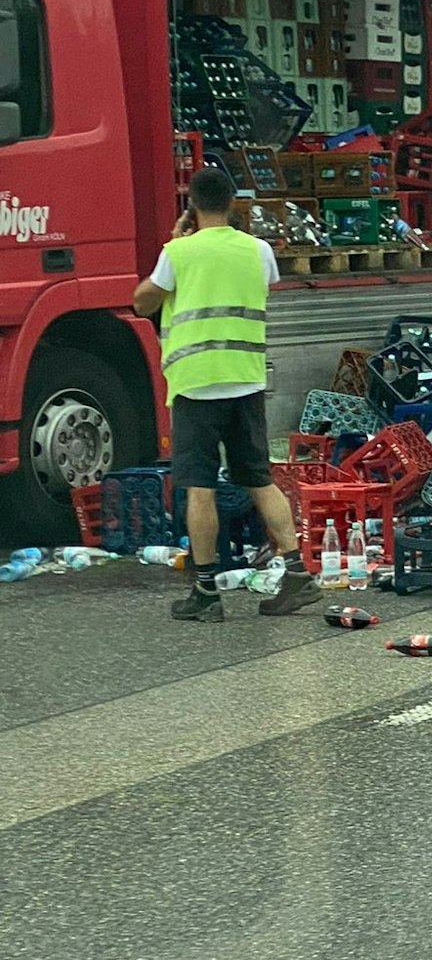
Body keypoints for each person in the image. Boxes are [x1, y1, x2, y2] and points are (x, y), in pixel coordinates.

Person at [132, 167, 318, 621]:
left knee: (200, 486)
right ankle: (297, 572)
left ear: (191, 203)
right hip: (247, 378)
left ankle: (207, 593)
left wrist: (173, 243)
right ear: (233, 202)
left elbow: (142, 302)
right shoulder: (258, 251)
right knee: (257, 476)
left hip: (197, 383)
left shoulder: (178, 252)